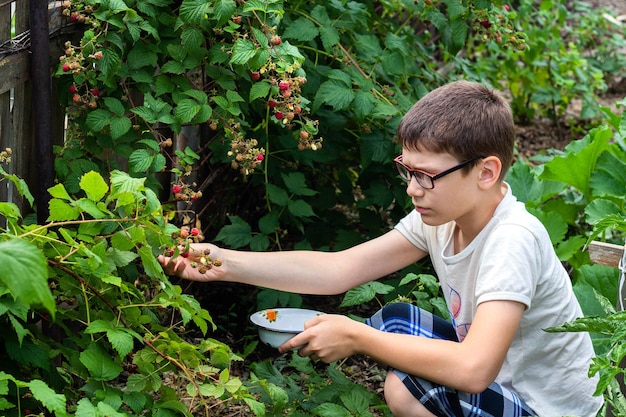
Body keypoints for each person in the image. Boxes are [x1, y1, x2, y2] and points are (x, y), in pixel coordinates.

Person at [159, 80, 602, 417]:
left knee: (405, 385)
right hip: (503, 381)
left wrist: (356, 337)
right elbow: (339, 270)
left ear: (486, 172)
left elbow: (473, 370)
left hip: (545, 408)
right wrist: (223, 261)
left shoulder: (512, 241)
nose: (413, 189)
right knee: (395, 320)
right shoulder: (443, 218)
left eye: (425, 175)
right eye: (406, 171)